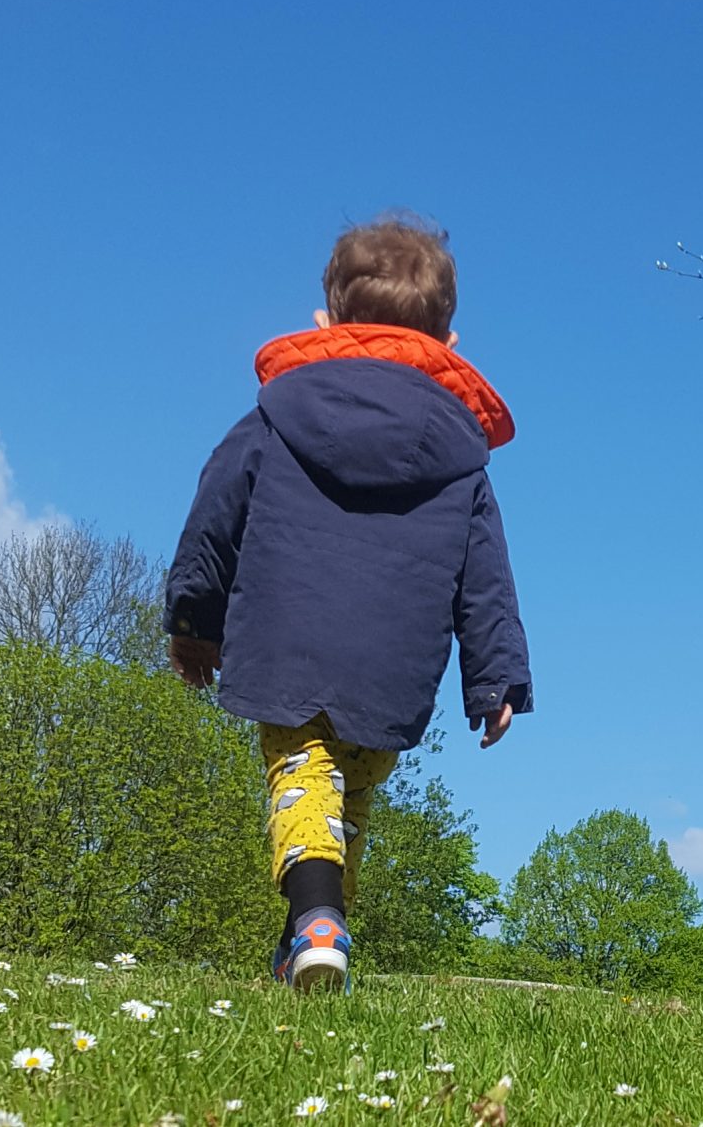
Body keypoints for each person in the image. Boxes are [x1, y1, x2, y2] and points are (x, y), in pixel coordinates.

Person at [164, 211, 532, 992]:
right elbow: (486, 573)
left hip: (287, 639)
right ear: (449, 346)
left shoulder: (276, 414)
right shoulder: (461, 454)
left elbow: (215, 512)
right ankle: (307, 938)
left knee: (301, 776)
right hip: (395, 661)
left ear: (326, 322)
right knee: (345, 804)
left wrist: (196, 619)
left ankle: (316, 923)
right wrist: (497, 677)